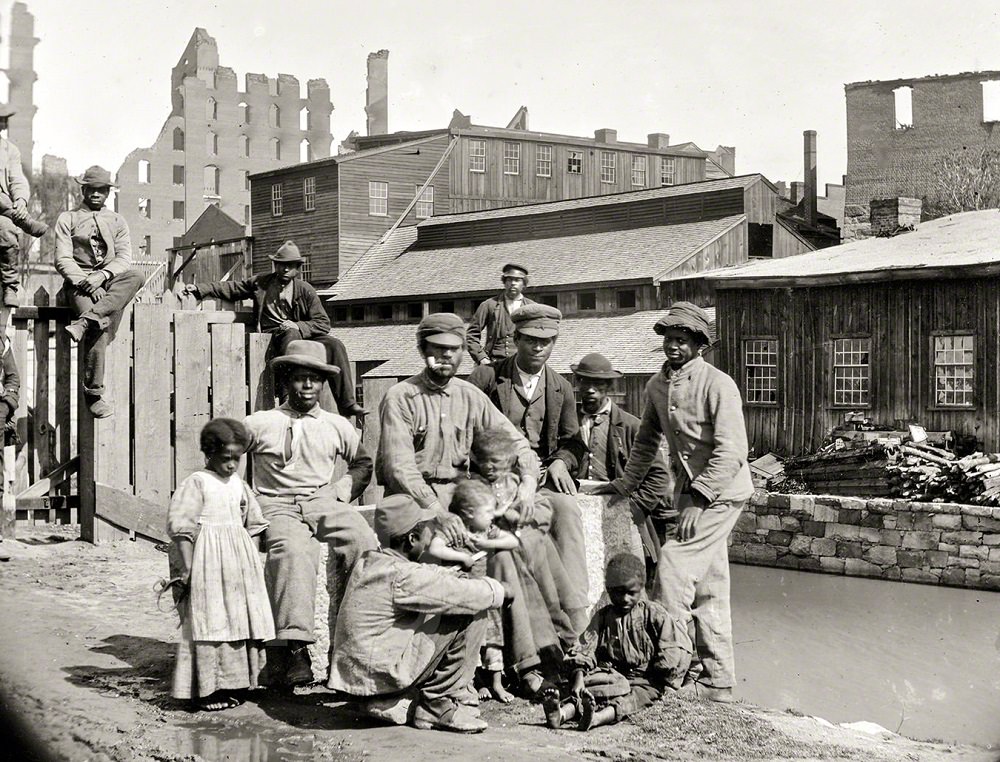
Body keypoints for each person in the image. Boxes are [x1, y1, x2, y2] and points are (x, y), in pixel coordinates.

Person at [589, 302, 753, 703]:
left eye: (682, 340)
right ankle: (718, 682)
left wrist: (697, 499)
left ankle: (673, 673)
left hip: (722, 492)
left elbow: (733, 450)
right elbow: (646, 442)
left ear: (699, 345)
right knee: (710, 587)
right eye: (669, 339)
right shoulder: (656, 386)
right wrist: (623, 485)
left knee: (674, 569)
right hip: (691, 495)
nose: (674, 347)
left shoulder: (718, 384)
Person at [242, 339, 376, 688]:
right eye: (300, 378)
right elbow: (226, 459)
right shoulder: (260, 422)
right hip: (276, 502)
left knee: (363, 541)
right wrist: (244, 500)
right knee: (294, 551)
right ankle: (295, 648)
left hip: (323, 500)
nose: (307, 386)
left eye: (314, 379)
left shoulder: (335, 425)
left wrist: (339, 490)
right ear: (286, 381)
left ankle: (355, 639)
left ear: (323, 384)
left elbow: (363, 464)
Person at [328, 494, 511, 733]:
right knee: (471, 609)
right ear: (412, 538)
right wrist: (498, 591)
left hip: (360, 678)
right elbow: (455, 594)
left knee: (456, 600)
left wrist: (453, 575)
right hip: (383, 676)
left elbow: (426, 576)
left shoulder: (371, 561)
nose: (431, 536)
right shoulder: (402, 576)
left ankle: (405, 700)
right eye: (428, 531)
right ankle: (437, 703)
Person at [467, 304, 589, 629]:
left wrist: (563, 461)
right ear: (516, 338)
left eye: (546, 341)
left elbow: (574, 440)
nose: (538, 347)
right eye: (531, 340)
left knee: (567, 511)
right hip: (493, 476)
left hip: (543, 477)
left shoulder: (560, 387)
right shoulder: (488, 377)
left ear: (554, 343)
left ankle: (576, 613)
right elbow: (465, 425)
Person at [184, 240, 365, 418]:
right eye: (281, 265)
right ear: (275, 265)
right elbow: (232, 287)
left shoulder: (305, 290)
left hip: (300, 335)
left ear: (297, 268)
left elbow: (323, 323)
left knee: (335, 344)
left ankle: (347, 404)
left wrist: (299, 325)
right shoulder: (261, 284)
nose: (285, 269)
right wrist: (200, 289)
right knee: (290, 333)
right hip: (272, 336)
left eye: (290, 266)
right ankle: (289, 396)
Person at [166, 418, 275, 711]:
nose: (231, 465)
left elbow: (252, 524)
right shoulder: (198, 483)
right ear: (208, 454)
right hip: (208, 561)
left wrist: (252, 564)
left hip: (238, 562)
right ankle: (208, 690)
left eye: (237, 459)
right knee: (211, 620)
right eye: (225, 459)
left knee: (240, 618)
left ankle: (240, 683)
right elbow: (182, 529)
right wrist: (188, 569)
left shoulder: (239, 484)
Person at [541, 553, 691, 730]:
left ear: (641, 588)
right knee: (592, 690)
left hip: (645, 678)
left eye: (631, 593)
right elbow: (586, 646)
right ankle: (561, 713)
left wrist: (667, 681)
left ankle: (597, 718)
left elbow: (671, 646)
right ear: (609, 590)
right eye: (619, 592)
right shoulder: (603, 616)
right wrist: (579, 677)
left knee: (637, 697)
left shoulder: (653, 613)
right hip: (611, 674)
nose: (625, 599)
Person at [54, 166, 144, 418]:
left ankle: (85, 321)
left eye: (101, 190)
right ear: (83, 190)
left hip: (108, 280)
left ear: (108, 192)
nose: (96, 194)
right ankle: (93, 394)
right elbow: (62, 259)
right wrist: (86, 281)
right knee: (99, 326)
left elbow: (125, 257)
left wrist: (102, 276)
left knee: (137, 275)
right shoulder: (67, 219)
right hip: (78, 284)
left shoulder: (117, 221)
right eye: (91, 189)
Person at [572, 352, 673, 572]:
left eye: (598, 383)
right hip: (576, 512)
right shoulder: (567, 422)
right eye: (585, 381)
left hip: (619, 508)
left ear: (608, 386)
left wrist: (635, 507)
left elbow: (659, 477)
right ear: (577, 383)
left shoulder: (631, 426)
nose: (591, 389)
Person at [425, 477, 520, 704]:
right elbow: (435, 547)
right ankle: (471, 682)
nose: (492, 516)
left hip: (484, 594)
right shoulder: (455, 528)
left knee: (493, 638)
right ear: (468, 513)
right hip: (462, 596)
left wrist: (487, 544)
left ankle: (496, 683)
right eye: (487, 511)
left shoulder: (485, 531)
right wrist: (460, 556)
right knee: (467, 639)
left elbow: (513, 541)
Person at [0, 105, 47, 312]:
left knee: (8, 230)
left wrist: (20, 200)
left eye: (2, 120)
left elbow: (17, 178)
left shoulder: (9, 150)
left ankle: (10, 286)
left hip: (1, 211)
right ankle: (23, 220)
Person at [466, 263, 535, 365]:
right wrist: (481, 358)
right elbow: (471, 334)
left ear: (524, 283)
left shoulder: (532, 307)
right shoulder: (489, 305)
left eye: (517, 280)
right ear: (504, 282)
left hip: (523, 364)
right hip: (493, 363)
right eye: (509, 280)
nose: (512, 283)